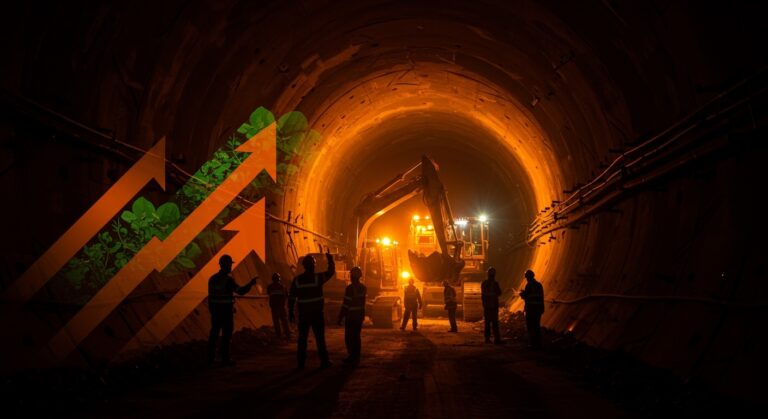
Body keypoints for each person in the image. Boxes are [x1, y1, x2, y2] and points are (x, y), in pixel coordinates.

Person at [207, 254, 257, 366]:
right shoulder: (228, 280)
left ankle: (210, 358)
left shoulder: (212, 279)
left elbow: (210, 297)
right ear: (226, 265)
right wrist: (250, 284)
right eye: (230, 264)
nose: (231, 266)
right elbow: (241, 291)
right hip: (226, 312)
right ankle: (225, 358)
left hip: (215, 311)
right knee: (226, 335)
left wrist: (212, 309)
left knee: (214, 334)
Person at [288, 251, 335, 369]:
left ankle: (301, 364)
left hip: (304, 314)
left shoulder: (297, 280)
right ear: (313, 266)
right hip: (316, 314)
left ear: (304, 266)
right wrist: (330, 260)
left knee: (302, 339)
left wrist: (290, 311)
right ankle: (324, 361)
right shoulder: (317, 278)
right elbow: (330, 272)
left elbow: (292, 297)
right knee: (320, 338)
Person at [337, 266, 366, 366]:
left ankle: (352, 357)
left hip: (351, 316)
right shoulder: (363, 288)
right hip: (359, 316)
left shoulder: (350, 288)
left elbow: (346, 304)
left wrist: (341, 316)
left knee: (349, 337)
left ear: (352, 276)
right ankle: (356, 357)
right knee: (356, 337)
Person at [519, 269, 545, 349]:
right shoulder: (539, 285)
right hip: (538, 310)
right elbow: (541, 297)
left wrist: (522, 294)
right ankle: (538, 344)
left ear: (528, 277)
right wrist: (542, 308)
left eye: (526, 277)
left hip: (530, 309)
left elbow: (527, 297)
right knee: (536, 326)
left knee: (530, 327)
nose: (526, 279)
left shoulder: (528, 286)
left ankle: (533, 344)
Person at [481, 266, 502, 344]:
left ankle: (487, 338)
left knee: (487, 322)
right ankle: (496, 339)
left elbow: (483, 295)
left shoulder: (484, 283)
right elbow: (499, 293)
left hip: (487, 306)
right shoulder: (495, 284)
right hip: (494, 306)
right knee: (495, 322)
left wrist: (484, 303)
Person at [267, 273, 291, 339]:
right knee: (284, 321)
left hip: (274, 307)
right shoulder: (282, 286)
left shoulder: (270, 287)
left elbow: (269, 293)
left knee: (276, 322)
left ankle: (279, 335)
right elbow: (286, 296)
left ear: (272, 279)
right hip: (281, 307)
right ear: (279, 279)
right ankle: (287, 335)